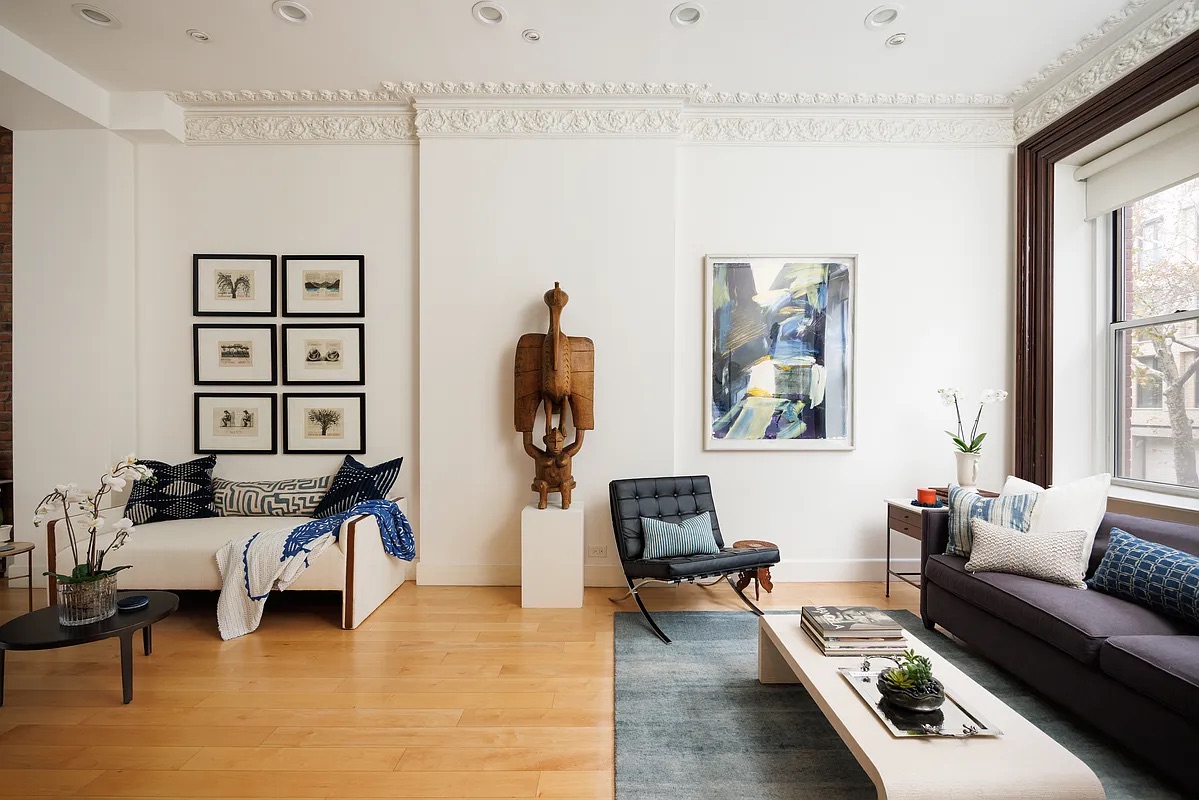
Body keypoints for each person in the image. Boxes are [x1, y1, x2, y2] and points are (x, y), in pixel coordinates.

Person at [522, 426, 584, 509]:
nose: (556, 445)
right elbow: (527, 444)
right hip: (543, 483)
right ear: (546, 441)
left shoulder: (567, 454)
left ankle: (565, 500)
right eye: (551, 441)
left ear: (563, 441)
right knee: (542, 484)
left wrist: (581, 425)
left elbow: (578, 443)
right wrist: (526, 425)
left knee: (565, 484)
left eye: (559, 441)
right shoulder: (540, 456)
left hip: (564, 483)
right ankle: (543, 500)